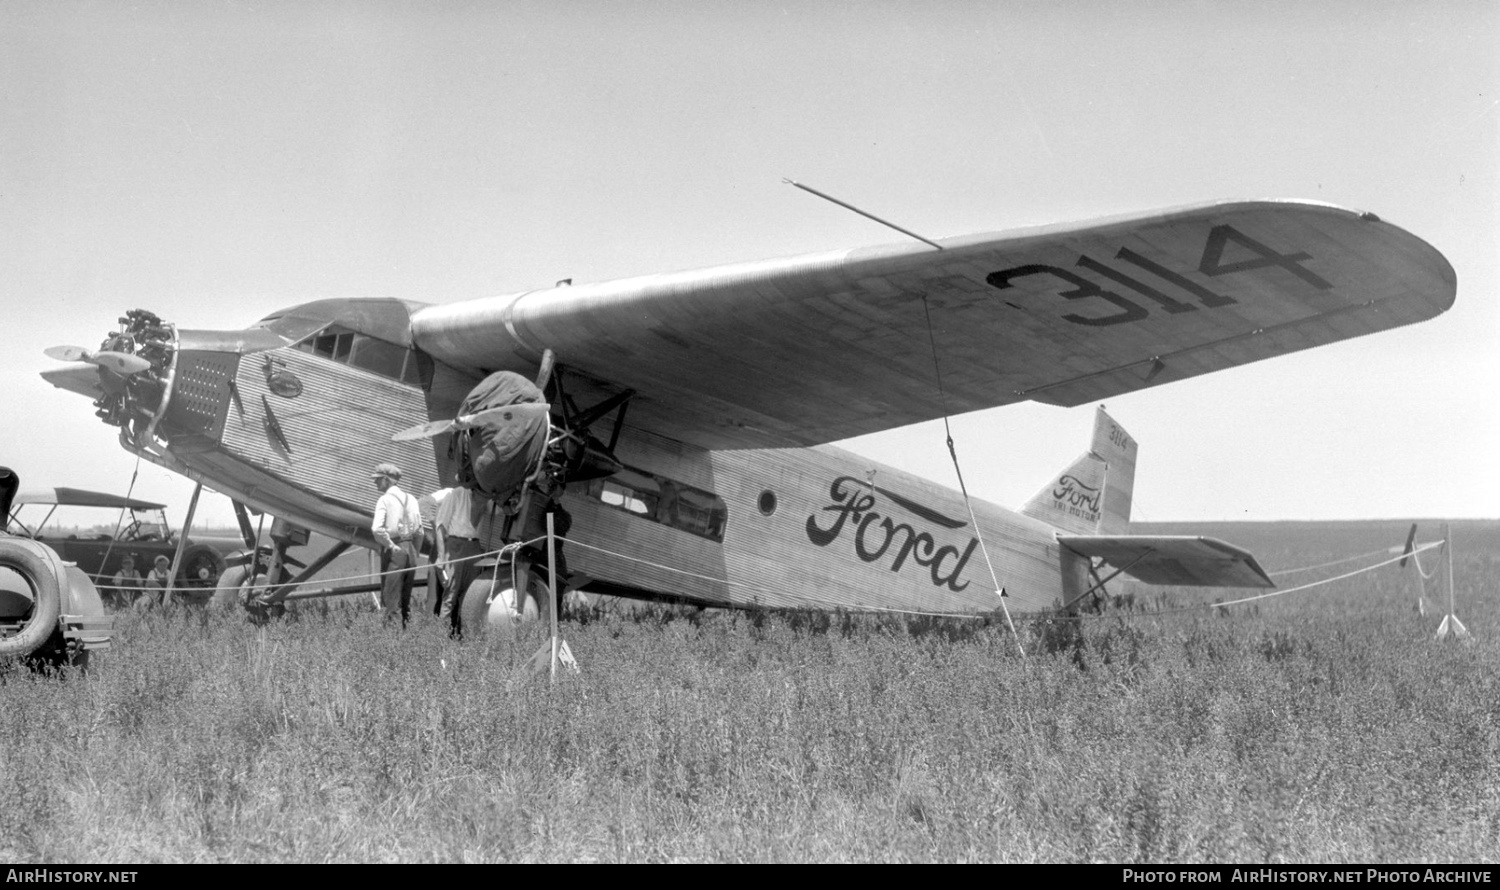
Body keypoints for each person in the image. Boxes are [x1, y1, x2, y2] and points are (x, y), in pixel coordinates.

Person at [433, 484, 495, 635]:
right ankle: (440, 638)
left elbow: (498, 510)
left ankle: (464, 637)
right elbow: (440, 526)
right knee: (450, 594)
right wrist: (441, 557)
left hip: (474, 546)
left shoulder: (486, 497)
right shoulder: (455, 495)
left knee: (468, 596)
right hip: (456, 545)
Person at [370, 462, 423, 626]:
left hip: (395, 550)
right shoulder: (412, 499)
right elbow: (419, 532)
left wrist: (390, 545)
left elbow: (377, 529)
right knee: (405, 600)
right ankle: (406, 637)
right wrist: (415, 552)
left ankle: (392, 642)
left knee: (391, 600)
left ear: (387, 480)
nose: (375, 482)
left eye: (378, 479)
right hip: (410, 549)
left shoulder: (384, 500)